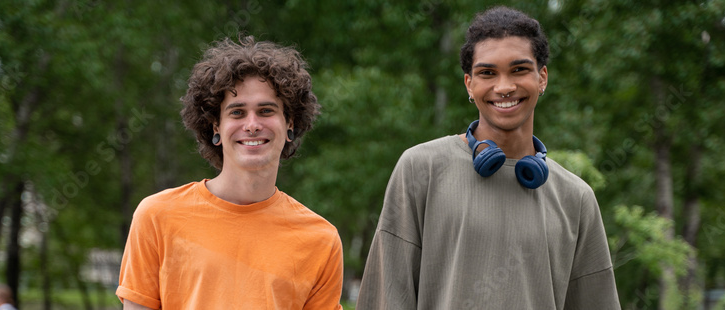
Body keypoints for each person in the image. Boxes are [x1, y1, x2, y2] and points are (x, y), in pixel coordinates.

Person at [357, 6, 620, 310]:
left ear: (542, 78)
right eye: (487, 73)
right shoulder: (420, 169)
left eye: (519, 70)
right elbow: (386, 297)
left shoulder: (576, 198)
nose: (504, 86)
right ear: (469, 84)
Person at [116, 36, 343, 310]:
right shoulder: (157, 216)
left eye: (266, 110)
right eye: (237, 112)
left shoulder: (320, 239)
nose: (252, 125)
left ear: (290, 123)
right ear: (215, 127)